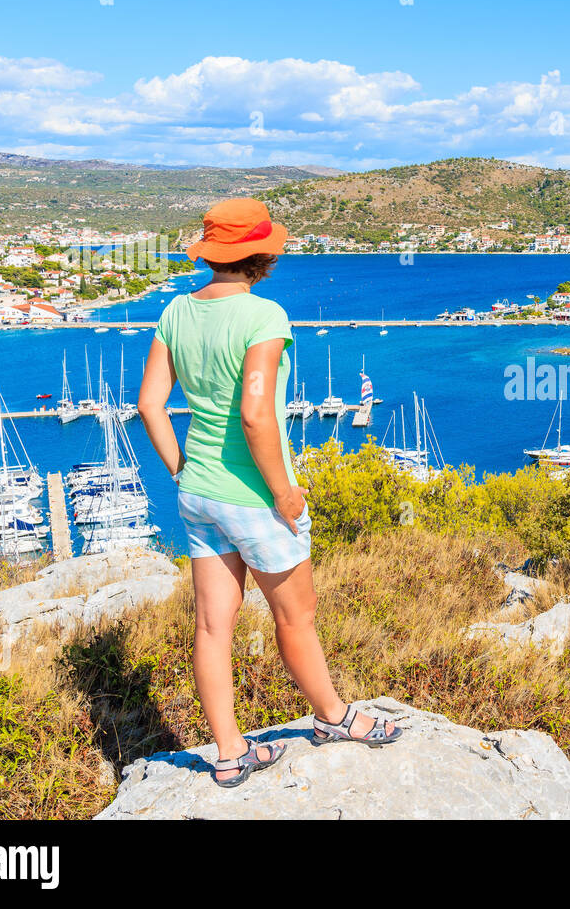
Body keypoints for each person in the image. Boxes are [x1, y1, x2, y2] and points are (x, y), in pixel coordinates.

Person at [138, 198, 402, 787]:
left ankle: (229, 754)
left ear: (213, 253)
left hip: (198, 491)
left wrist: (182, 468)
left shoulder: (175, 312)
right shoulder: (265, 317)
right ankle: (335, 718)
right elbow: (257, 416)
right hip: (255, 499)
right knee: (295, 618)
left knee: (212, 627)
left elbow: (149, 405)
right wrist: (283, 493)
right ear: (262, 255)